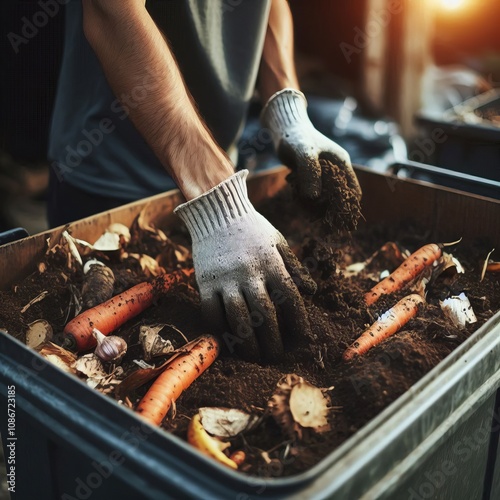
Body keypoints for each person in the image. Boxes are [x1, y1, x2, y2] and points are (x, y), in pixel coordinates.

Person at [48, 0, 360, 361]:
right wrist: (214, 193)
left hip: (223, 181)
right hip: (111, 179)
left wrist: (285, 108)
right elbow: (110, 11)